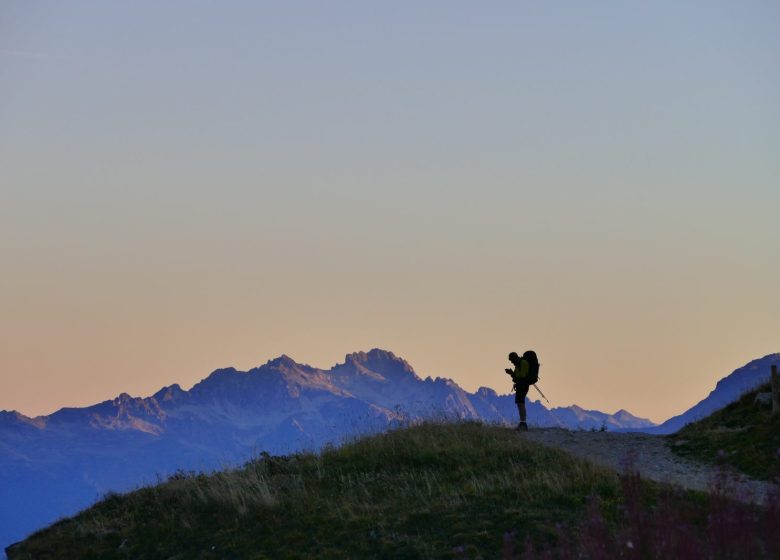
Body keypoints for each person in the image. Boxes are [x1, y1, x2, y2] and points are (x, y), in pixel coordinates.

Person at [505, 350, 539, 431]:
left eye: (511, 360)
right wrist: (512, 374)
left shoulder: (523, 363)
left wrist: (513, 374)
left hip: (523, 385)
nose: (511, 362)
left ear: (515, 357)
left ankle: (523, 423)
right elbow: (517, 377)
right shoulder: (518, 364)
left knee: (521, 403)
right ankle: (522, 423)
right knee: (520, 403)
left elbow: (522, 375)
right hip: (521, 385)